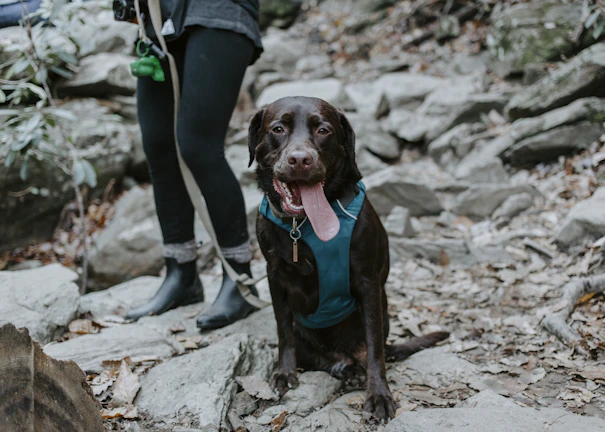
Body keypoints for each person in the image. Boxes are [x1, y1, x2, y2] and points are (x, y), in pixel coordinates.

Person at [125, 0, 264, 331]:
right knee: (159, 148)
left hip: (218, 12)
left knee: (198, 146)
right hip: (158, 21)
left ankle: (238, 278)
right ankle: (181, 273)